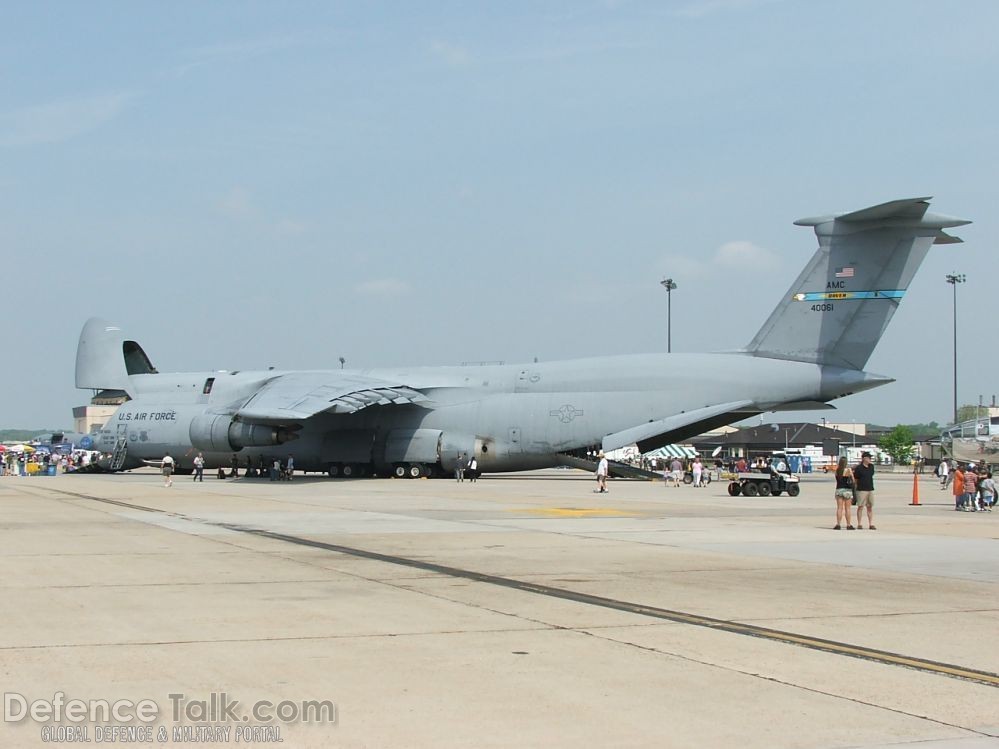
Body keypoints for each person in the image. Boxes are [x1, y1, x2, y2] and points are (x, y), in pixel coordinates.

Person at [853, 451, 876, 530]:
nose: (870, 459)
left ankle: (871, 523)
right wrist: (856, 488)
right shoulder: (859, 468)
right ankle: (859, 523)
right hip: (861, 489)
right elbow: (856, 479)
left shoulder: (871, 467)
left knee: (869, 507)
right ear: (864, 458)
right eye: (868, 458)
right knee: (860, 506)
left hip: (870, 489)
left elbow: (871, 475)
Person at [833, 456, 855, 530]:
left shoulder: (837, 470)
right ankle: (848, 524)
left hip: (839, 489)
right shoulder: (848, 470)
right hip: (847, 490)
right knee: (847, 508)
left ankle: (838, 524)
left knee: (839, 508)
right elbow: (853, 481)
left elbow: (837, 479)